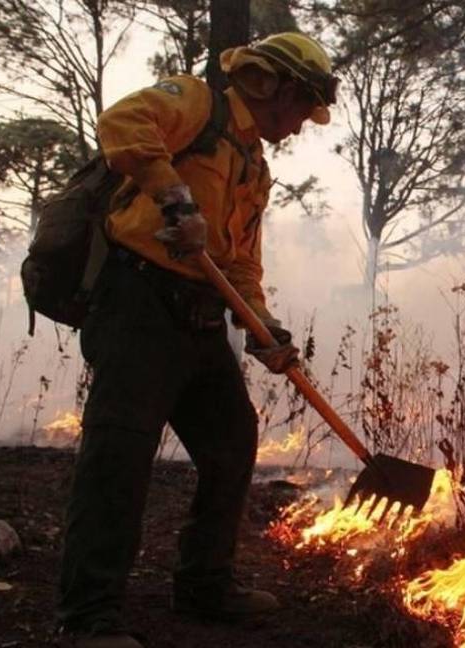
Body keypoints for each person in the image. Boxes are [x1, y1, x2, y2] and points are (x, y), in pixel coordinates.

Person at [56, 32, 339, 648]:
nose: (301, 126)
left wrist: (265, 330)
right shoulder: (195, 102)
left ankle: (205, 584)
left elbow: (240, 266)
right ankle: (90, 615)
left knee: (231, 443)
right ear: (279, 89)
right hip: (138, 304)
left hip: (201, 316)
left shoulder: (254, 168)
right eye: (303, 110)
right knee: (120, 456)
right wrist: (176, 199)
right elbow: (123, 122)